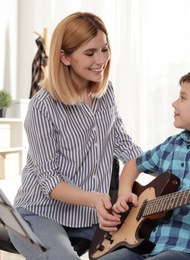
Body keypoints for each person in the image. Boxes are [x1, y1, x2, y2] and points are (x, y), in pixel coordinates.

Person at [8, 12, 142, 259]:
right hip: (40, 212)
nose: (101, 59)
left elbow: (125, 146)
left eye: (104, 49)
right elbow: (49, 180)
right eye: (90, 53)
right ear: (65, 57)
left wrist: (125, 190)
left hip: (89, 217)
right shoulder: (42, 106)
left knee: (141, 251)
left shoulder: (105, 92)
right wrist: (96, 199)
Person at [98, 68, 190, 260]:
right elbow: (133, 164)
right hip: (148, 246)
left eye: (183, 98)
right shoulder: (171, 145)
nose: (174, 103)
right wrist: (125, 192)